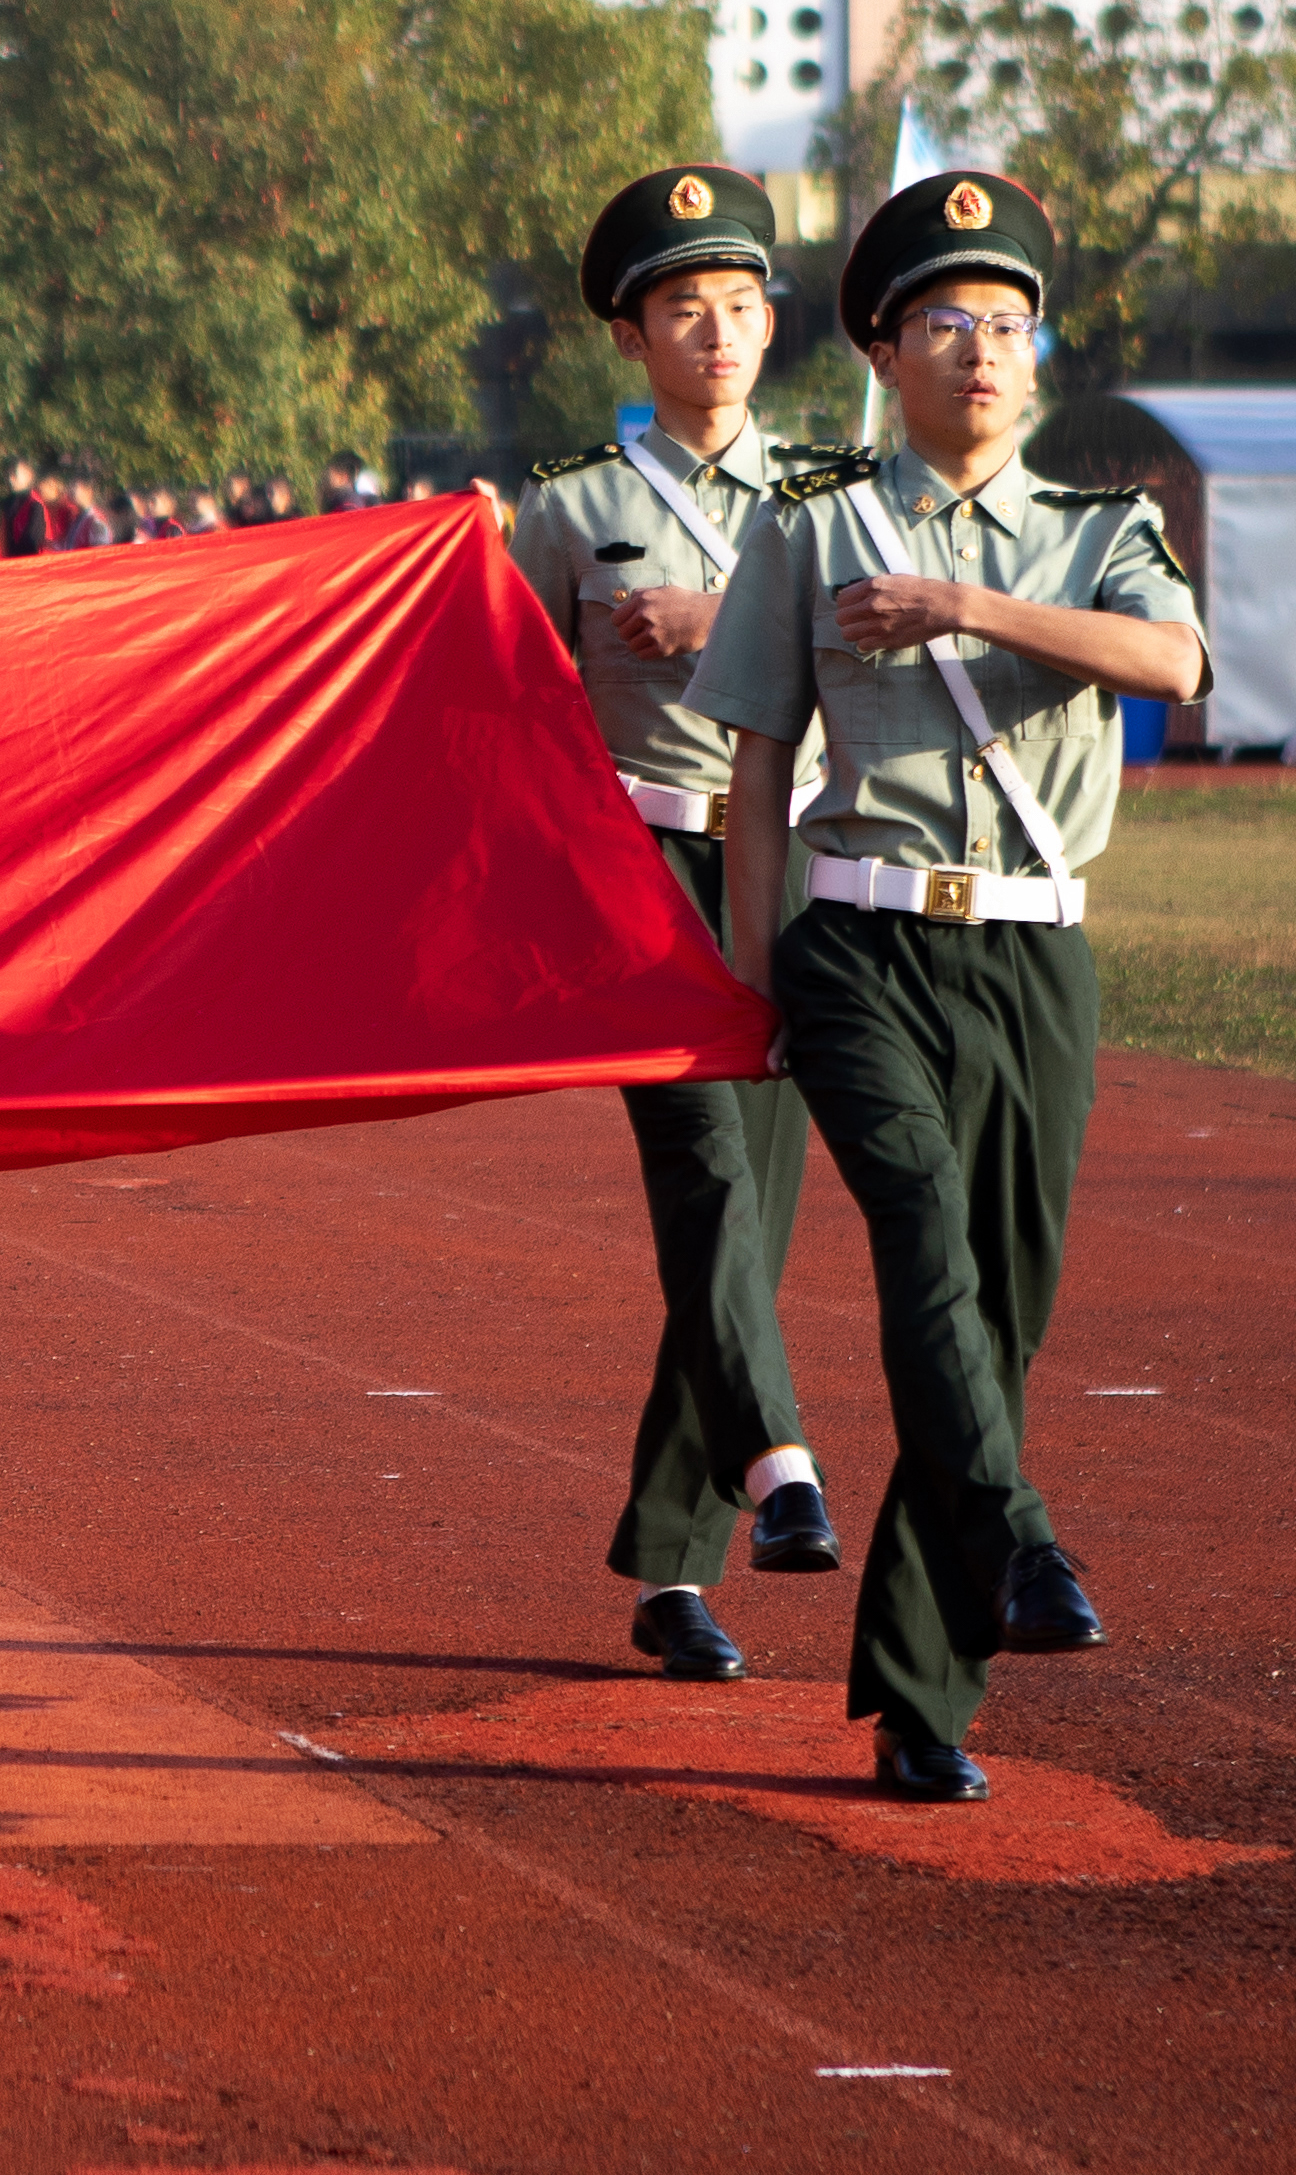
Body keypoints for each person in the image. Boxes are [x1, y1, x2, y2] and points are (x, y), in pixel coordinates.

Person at [686, 169, 1210, 1807]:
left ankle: (921, 1694)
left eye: (1005, 323)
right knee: (922, 1244)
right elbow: (755, 762)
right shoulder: (816, 521)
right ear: (884, 357)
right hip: (858, 942)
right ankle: (1017, 1538)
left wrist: (970, 608)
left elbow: (1177, 667)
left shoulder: (1104, 535)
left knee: (998, 1308)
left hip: (1036, 953)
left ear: (1035, 358)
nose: (979, 351)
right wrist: (746, 982)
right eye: (942, 324)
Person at [513, 166, 847, 1690]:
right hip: (642, 870)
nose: (715, 333)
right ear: (631, 340)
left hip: (795, 872)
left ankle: (668, 1570)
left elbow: (885, 627)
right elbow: (497, 698)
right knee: (706, 1176)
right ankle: (780, 1469)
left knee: (749, 1230)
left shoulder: (835, 497)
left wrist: (722, 621)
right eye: (680, 310)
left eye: (737, 306)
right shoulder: (572, 507)